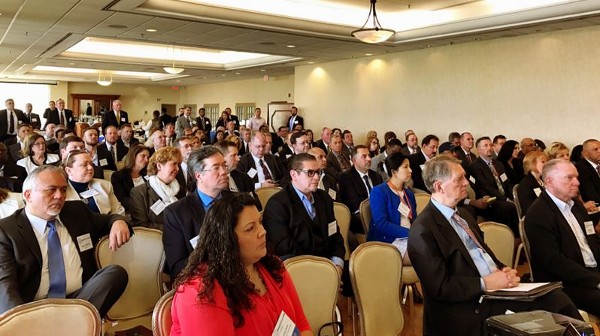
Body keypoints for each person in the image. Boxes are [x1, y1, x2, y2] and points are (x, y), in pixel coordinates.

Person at [407, 156, 581, 336]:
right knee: (549, 307)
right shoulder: (423, 230)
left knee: (556, 297)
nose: (467, 182)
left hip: (494, 291)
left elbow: (484, 253)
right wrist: (485, 283)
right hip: (468, 306)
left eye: (465, 177)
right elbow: (440, 287)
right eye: (459, 179)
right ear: (438, 186)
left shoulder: (464, 216)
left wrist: (504, 269)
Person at [171, 193, 312, 335]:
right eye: (250, 228)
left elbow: (302, 325)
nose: (263, 232)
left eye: (260, 222)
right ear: (226, 240)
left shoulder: (272, 266)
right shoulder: (201, 292)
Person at [0, 165, 131, 317]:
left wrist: (118, 222)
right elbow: (5, 287)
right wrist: (22, 322)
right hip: (35, 309)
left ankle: (67, 325)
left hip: (81, 299)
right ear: (28, 195)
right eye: (51, 190)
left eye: (63, 190)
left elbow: (109, 219)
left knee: (115, 273)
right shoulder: (6, 230)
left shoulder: (76, 211)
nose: (59, 196)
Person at [525, 159, 600, 316]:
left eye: (577, 177)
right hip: (566, 283)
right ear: (549, 181)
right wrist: (595, 280)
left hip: (591, 272)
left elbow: (593, 242)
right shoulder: (538, 214)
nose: (577, 182)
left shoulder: (577, 206)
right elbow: (554, 262)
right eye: (569, 178)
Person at [263, 153, 345, 270]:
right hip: (300, 271)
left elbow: (335, 236)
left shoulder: (324, 198)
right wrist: (323, 272)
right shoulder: (277, 205)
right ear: (294, 175)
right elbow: (285, 248)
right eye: (310, 173)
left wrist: (337, 266)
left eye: (318, 172)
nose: (316, 177)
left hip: (331, 266)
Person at [163, 146, 230, 277]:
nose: (223, 172)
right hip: (203, 280)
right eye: (216, 167)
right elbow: (177, 266)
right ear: (199, 175)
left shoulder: (237, 202)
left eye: (224, 166)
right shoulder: (176, 213)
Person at [367, 152, 416, 265]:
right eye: (405, 167)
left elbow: (414, 220)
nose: (410, 170)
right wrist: (411, 233)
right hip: (388, 241)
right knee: (424, 254)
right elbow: (381, 224)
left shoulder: (409, 194)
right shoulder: (379, 192)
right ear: (394, 172)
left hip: (409, 237)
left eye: (409, 166)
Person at [130, 147, 184, 230]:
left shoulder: (180, 189)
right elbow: (142, 226)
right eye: (174, 164)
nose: (177, 169)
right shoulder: (139, 193)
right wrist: (175, 230)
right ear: (159, 166)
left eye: (178, 165)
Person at [64, 150, 125, 215]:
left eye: (91, 164)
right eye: (84, 165)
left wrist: (117, 222)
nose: (90, 167)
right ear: (69, 171)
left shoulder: (105, 185)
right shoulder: (61, 192)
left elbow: (118, 211)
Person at [110, 144, 149, 211]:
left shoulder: (147, 174)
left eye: (148, 157)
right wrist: (142, 205)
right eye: (143, 156)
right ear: (134, 156)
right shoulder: (118, 176)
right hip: (133, 210)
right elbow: (122, 200)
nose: (146, 160)